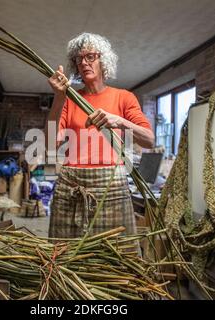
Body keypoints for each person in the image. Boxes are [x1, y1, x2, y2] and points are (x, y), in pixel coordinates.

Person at [45, 32, 154, 242]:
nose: (84, 62)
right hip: (72, 185)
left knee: (119, 256)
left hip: (111, 186)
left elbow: (149, 140)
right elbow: (50, 145)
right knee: (65, 257)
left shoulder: (124, 97)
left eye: (90, 57)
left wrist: (119, 121)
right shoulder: (69, 100)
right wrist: (59, 98)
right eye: (79, 59)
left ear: (103, 60)